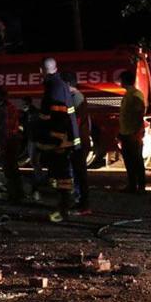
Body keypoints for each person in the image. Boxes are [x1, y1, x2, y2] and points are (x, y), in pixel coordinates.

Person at [35, 57, 80, 222]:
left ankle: (63, 211)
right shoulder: (58, 85)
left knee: (63, 178)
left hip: (60, 141)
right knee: (59, 177)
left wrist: (55, 140)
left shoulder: (54, 87)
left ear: (42, 71)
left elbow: (59, 115)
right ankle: (62, 209)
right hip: (61, 139)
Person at [62, 72, 92, 214]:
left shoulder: (76, 98)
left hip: (78, 142)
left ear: (68, 84)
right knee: (79, 174)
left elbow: (76, 121)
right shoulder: (77, 97)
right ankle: (80, 203)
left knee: (80, 174)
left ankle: (84, 206)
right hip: (79, 141)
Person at [117, 69, 147, 194]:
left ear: (124, 81)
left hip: (133, 134)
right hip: (126, 133)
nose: (119, 82)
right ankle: (132, 185)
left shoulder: (135, 94)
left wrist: (137, 131)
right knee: (129, 161)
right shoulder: (129, 94)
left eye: (120, 80)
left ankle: (140, 187)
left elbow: (139, 114)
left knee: (137, 160)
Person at [0, 86, 24, 203]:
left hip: (8, 141)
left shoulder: (4, 108)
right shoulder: (10, 106)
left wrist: (2, 146)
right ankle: (18, 193)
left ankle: (14, 195)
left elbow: (5, 128)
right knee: (14, 168)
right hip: (13, 140)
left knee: (9, 169)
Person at [21, 96, 45, 187]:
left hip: (34, 140)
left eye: (24, 104)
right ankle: (39, 178)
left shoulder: (32, 113)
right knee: (34, 160)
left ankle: (40, 179)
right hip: (32, 139)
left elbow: (32, 128)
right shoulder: (30, 113)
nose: (23, 106)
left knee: (34, 160)